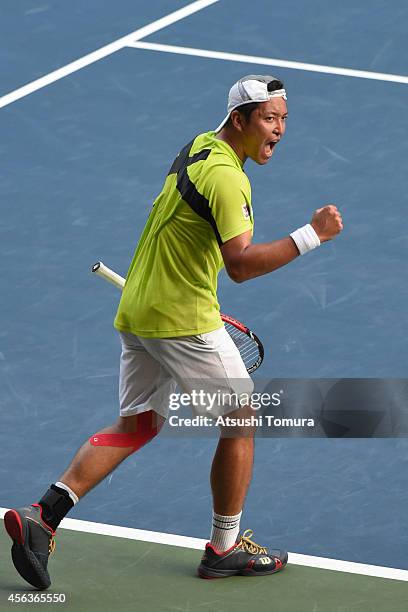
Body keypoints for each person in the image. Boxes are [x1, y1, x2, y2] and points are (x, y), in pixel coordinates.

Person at [4, 75, 343, 588]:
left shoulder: (198, 147)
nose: (279, 130)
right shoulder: (230, 180)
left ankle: (42, 515)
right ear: (240, 120)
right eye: (269, 119)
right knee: (241, 418)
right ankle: (223, 548)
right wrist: (311, 236)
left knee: (136, 424)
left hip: (139, 309)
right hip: (181, 321)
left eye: (284, 119)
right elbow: (242, 266)